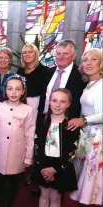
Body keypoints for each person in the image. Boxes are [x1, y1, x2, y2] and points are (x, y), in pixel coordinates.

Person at [33, 39, 86, 198]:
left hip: (66, 124)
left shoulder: (81, 76)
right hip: (45, 121)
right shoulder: (48, 72)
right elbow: (44, 97)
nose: (61, 57)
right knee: (45, 153)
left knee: (60, 159)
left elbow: (80, 103)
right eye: (58, 54)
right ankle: (43, 181)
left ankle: (57, 190)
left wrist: (80, 120)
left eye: (66, 54)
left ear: (74, 55)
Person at [30, 89, 79, 207]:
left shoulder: (71, 125)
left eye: (62, 101)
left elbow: (72, 151)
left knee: (55, 197)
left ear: (68, 104)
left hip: (60, 167)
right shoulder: (42, 121)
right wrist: (44, 168)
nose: (57, 105)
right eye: (54, 100)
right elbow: (36, 144)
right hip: (43, 165)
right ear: (49, 102)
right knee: (44, 195)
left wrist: (54, 169)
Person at [0, 74, 35, 207]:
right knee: (0, 186)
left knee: (13, 186)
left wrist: (28, 157)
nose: (13, 92)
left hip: (17, 155)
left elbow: (30, 135)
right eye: (10, 89)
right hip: (0, 154)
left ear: (23, 91)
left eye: (17, 89)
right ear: (5, 90)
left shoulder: (27, 110)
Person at [65, 48, 103, 207]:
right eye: (85, 59)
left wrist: (84, 120)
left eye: (93, 59)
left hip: (97, 138)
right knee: (80, 174)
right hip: (86, 135)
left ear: (101, 63)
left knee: (89, 176)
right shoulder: (90, 84)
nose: (88, 63)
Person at [17, 44, 50, 187]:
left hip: (36, 108)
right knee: (20, 138)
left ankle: (33, 173)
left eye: (30, 52)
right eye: (25, 53)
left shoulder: (44, 71)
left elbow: (45, 94)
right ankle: (20, 170)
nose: (27, 55)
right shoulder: (20, 70)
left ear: (36, 54)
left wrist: (43, 113)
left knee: (34, 141)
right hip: (20, 107)